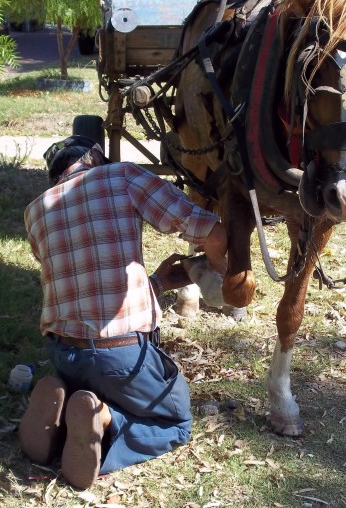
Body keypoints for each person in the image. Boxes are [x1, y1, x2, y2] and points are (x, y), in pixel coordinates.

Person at [20, 135, 228, 490]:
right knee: (175, 423)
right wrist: (216, 271)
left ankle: (65, 405)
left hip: (63, 352)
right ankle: (104, 417)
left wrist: (157, 284)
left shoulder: (35, 211)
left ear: (54, 176)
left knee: (92, 374)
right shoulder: (122, 175)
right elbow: (209, 229)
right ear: (97, 156)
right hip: (118, 358)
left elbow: (83, 282)